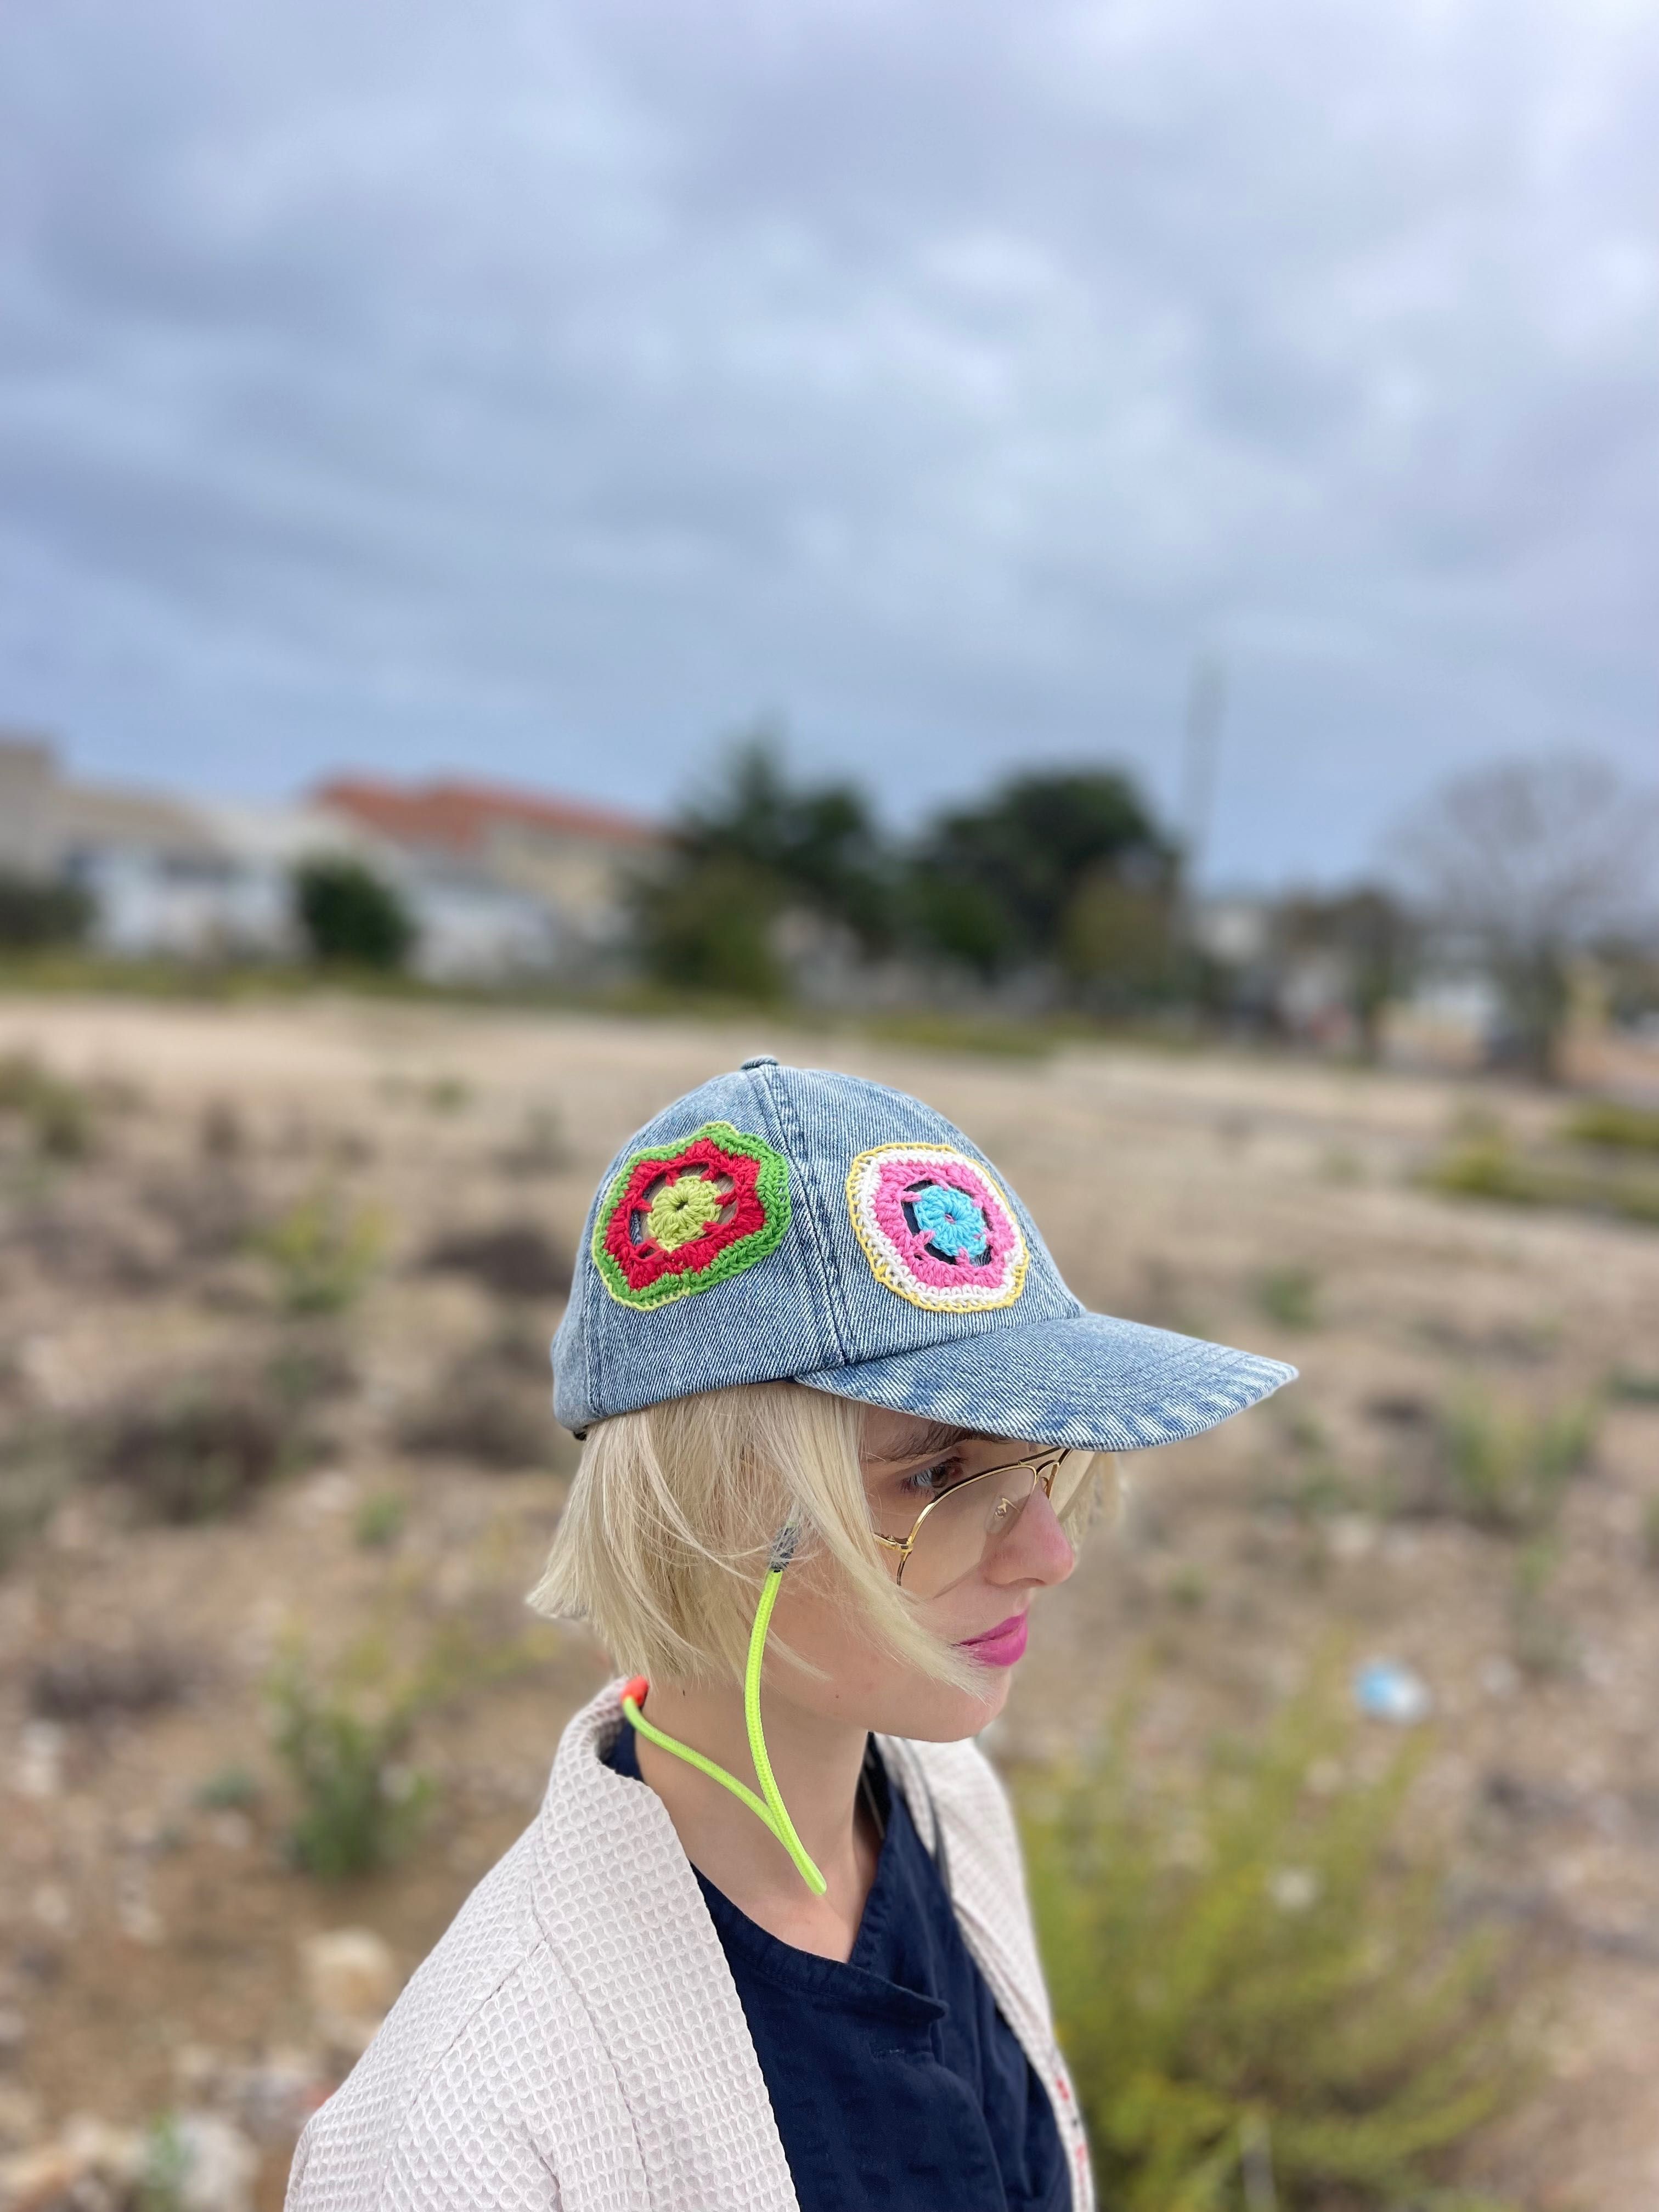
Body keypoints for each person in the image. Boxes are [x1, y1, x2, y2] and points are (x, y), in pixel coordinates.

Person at [286, 1056, 1293, 2211]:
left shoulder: (946, 1809)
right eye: (933, 1473)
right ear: (715, 1508)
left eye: (1042, 1463)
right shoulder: (471, 2140)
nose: (1048, 1555)